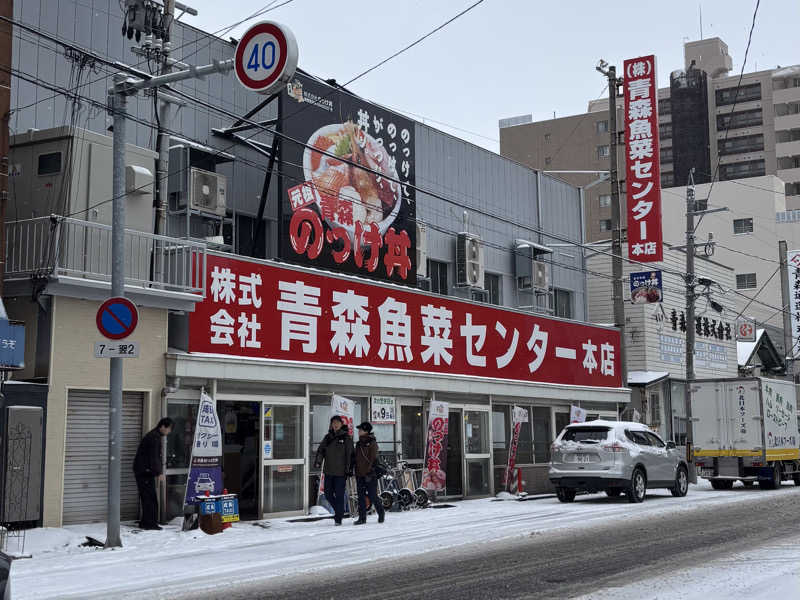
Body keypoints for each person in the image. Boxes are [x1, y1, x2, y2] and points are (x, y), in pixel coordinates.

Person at [133, 417, 173, 530]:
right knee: (149, 498)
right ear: (163, 427)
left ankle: (146, 522)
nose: (169, 432)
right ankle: (149, 523)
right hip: (144, 471)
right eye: (169, 429)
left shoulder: (154, 435)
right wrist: (159, 473)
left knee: (148, 497)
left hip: (144, 470)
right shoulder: (154, 437)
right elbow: (153, 457)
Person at [314, 415, 354, 525]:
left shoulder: (346, 438)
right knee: (328, 494)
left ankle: (338, 518)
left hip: (341, 472)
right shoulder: (328, 437)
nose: (335, 425)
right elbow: (321, 450)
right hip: (329, 471)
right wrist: (318, 461)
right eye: (333, 423)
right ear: (331, 425)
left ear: (341, 424)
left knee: (339, 495)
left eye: (337, 422)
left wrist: (349, 469)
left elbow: (350, 455)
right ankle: (339, 511)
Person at [353, 421, 385, 525]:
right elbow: (356, 458)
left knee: (372, 495)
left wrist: (369, 470)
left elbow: (373, 458)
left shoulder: (372, 443)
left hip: (370, 474)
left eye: (360, 429)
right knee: (361, 497)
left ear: (366, 431)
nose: (359, 431)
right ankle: (362, 518)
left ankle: (381, 512)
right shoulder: (358, 444)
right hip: (359, 474)